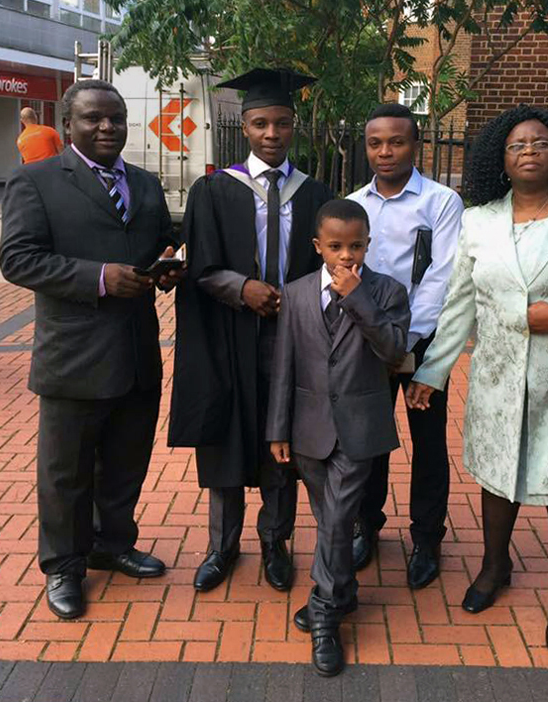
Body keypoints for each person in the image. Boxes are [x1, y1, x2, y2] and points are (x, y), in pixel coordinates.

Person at [406, 104, 548, 653]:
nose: (529, 151)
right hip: (496, 375)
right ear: (501, 160)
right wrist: (433, 371)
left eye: (540, 142)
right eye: (517, 145)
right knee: (495, 473)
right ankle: (494, 567)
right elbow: (460, 303)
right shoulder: (478, 218)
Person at [0, 80, 184, 620]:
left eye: (116, 118)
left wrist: (165, 263)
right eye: (94, 119)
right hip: (73, 357)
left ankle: (112, 543)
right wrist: (100, 277)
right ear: (68, 124)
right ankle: (64, 564)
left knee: (126, 462)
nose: (107, 127)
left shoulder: (146, 184)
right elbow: (19, 260)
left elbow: (150, 246)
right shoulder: (36, 181)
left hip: (136, 351)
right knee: (66, 473)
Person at [169, 69, 333, 594]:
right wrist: (244, 290)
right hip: (230, 336)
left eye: (281, 123)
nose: (271, 133)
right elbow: (201, 269)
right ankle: (222, 546)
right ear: (244, 126)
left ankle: (275, 542)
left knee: (282, 440)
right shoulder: (214, 189)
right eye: (261, 123)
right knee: (226, 437)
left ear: (293, 126)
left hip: (293, 340)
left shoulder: (316, 194)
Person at [267, 199, 410, 676]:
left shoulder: (387, 291)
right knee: (328, 517)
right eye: (335, 247)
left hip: (359, 427)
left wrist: (358, 298)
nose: (346, 256)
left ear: (368, 244)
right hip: (307, 429)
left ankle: (325, 615)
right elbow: (284, 366)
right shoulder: (298, 292)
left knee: (338, 518)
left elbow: (393, 349)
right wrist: (277, 429)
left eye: (356, 246)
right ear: (317, 247)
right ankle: (342, 593)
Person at [347, 104, 463, 588]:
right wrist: (382, 340)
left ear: (415, 144)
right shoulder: (356, 204)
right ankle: (366, 528)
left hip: (421, 340)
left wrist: (409, 345)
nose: (385, 151)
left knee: (429, 443)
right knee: (368, 440)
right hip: (369, 341)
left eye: (395, 141)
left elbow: (443, 276)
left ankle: (427, 538)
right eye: (375, 143)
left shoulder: (440, 201)